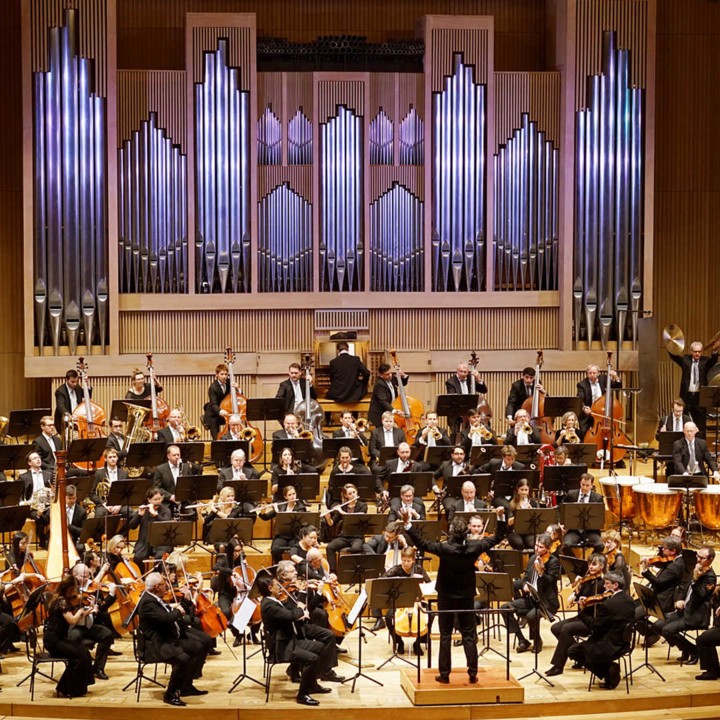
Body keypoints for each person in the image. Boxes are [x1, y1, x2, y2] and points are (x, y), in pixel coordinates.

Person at [401, 513, 503, 684]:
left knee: (445, 635)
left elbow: (422, 543)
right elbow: (497, 537)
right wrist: (499, 518)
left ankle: (445, 674)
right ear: (466, 532)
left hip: (446, 596)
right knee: (469, 635)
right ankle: (472, 673)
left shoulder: (444, 548)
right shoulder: (474, 547)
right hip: (466, 596)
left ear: (451, 532)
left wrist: (408, 525)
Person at [258, 575, 334, 706]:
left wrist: (300, 605)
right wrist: (300, 607)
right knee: (312, 658)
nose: (280, 587)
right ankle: (302, 695)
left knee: (320, 647)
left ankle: (312, 684)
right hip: (282, 648)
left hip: (290, 641)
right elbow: (291, 615)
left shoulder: (272, 601)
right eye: (277, 585)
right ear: (270, 588)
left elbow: (289, 614)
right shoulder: (268, 605)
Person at [137, 571, 208, 706]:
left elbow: (168, 613)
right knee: (183, 659)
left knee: (199, 646)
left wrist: (185, 602)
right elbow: (166, 618)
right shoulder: (147, 602)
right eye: (164, 584)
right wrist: (180, 609)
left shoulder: (153, 598)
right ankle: (170, 694)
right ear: (157, 587)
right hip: (156, 644)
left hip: (166, 638)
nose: (167, 587)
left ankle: (186, 686)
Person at [567, 571, 636, 689]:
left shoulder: (607, 605)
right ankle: (608, 670)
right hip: (624, 642)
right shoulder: (629, 600)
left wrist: (582, 611)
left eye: (607, 584)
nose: (604, 586)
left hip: (608, 645)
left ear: (615, 585)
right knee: (585, 647)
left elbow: (594, 627)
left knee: (573, 651)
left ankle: (609, 670)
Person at [546, 553, 608, 676]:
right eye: (589, 563)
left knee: (566, 629)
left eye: (594, 564)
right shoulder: (587, 580)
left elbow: (602, 603)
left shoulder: (603, 583)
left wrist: (587, 600)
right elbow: (578, 599)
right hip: (582, 617)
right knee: (556, 628)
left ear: (602, 566)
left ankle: (558, 666)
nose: (590, 567)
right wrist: (578, 590)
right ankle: (579, 655)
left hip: (592, 620)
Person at [653, 546, 716, 665]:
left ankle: (693, 650)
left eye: (701, 558)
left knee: (667, 630)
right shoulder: (695, 569)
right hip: (683, 611)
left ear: (710, 559)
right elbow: (682, 586)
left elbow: (699, 597)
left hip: (695, 615)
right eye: (697, 556)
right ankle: (685, 649)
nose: (697, 559)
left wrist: (696, 580)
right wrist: (679, 599)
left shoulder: (711, 578)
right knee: (657, 625)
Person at [502, 533, 560, 653]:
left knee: (531, 616)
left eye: (541, 547)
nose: (537, 549)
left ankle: (537, 640)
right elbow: (526, 578)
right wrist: (524, 585)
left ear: (548, 548)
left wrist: (540, 573)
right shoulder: (533, 558)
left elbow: (549, 582)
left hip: (546, 602)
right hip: (531, 599)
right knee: (505, 608)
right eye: (536, 546)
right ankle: (522, 640)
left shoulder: (553, 562)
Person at [43, 574, 96, 698]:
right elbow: (72, 620)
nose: (77, 591)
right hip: (54, 641)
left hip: (59, 639)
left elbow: (74, 618)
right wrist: (80, 611)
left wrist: (88, 610)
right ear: (69, 588)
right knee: (79, 656)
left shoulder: (62, 599)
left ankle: (80, 688)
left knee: (84, 652)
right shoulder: (61, 601)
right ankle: (64, 689)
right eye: (75, 587)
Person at [635, 536, 685, 645]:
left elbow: (658, 582)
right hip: (655, 595)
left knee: (634, 615)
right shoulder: (674, 560)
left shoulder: (676, 566)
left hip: (662, 600)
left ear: (673, 551)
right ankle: (650, 632)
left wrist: (645, 570)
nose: (662, 550)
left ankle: (651, 632)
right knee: (631, 607)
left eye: (664, 548)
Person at [382, 546, 432, 656]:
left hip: (417, 601)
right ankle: (398, 641)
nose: (406, 563)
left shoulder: (419, 569)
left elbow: (429, 585)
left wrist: (421, 579)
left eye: (408, 561)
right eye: (404, 560)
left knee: (430, 614)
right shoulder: (396, 569)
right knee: (389, 616)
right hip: (400, 602)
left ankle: (418, 642)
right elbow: (382, 580)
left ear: (413, 560)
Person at [69, 563, 116, 679]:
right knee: (72, 639)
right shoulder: (69, 589)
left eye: (87, 576)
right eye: (82, 576)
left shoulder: (93, 588)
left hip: (89, 625)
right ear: (74, 575)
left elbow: (102, 608)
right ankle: (76, 669)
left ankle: (98, 668)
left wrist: (110, 595)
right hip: (75, 626)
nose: (86, 579)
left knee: (107, 635)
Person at [668, 340, 719, 437]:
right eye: (695, 351)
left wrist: (714, 349)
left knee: (700, 423)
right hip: (686, 396)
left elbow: (713, 360)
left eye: (699, 351)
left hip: (700, 397)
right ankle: (686, 444)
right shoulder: (685, 360)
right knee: (685, 421)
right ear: (691, 352)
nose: (697, 353)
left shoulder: (705, 361)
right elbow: (674, 356)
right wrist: (670, 344)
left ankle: (700, 445)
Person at [325, 483, 368, 573]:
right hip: (345, 535)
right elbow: (331, 523)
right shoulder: (343, 506)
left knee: (355, 549)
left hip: (357, 536)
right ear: (346, 495)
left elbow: (356, 516)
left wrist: (342, 512)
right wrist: (328, 517)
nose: (353, 495)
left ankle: (351, 571)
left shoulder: (362, 505)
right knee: (330, 547)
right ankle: (333, 572)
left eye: (354, 492)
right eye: (350, 494)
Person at [560, 473, 605, 553]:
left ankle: (590, 563)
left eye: (587, 485)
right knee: (565, 545)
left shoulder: (598, 498)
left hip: (590, 531)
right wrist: (561, 523)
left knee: (600, 545)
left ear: (592, 485)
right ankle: (575, 565)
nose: (584, 488)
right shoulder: (571, 494)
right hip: (574, 531)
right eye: (582, 484)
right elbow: (561, 509)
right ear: (580, 483)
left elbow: (600, 517)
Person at [128, 487, 173, 567]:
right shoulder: (144, 510)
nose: (158, 501)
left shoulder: (166, 511)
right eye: (155, 500)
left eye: (159, 499)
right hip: (144, 542)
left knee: (159, 557)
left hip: (161, 543)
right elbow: (132, 526)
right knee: (138, 557)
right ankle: (140, 578)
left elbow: (166, 525)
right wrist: (139, 515)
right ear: (149, 500)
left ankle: (157, 578)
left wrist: (156, 515)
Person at [577, 363, 622, 437]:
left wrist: (616, 376)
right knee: (583, 432)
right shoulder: (582, 384)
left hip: (602, 414)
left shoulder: (604, 379)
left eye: (594, 373)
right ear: (587, 374)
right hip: (588, 413)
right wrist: (584, 408)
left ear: (598, 373)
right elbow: (580, 399)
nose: (592, 375)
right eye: (590, 373)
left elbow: (618, 388)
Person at [19, 451, 53, 548]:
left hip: (47, 505)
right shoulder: (24, 477)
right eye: (34, 458)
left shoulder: (48, 474)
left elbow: (53, 490)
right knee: (39, 517)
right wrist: (23, 504)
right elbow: (20, 494)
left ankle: (48, 538)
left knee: (54, 515)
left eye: (38, 457)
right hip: (32, 507)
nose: (38, 459)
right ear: (29, 463)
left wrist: (52, 493)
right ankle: (43, 541)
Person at [90, 448, 130, 517]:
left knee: (131, 513)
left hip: (119, 504)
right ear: (105, 459)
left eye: (114, 456)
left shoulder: (124, 473)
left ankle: (123, 528)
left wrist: (119, 505)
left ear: (117, 458)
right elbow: (92, 493)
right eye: (110, 457)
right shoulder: (99, 474)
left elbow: (128, 492)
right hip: (104, 504)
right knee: (99, 514)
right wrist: (103, 503)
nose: (113, 459)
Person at [368, 363, 408, 428]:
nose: (390, 375)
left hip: (388, 410)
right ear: (381, 375)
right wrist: (394, 411)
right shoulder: (379, 384)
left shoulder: (391, 378)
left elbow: (402, 383)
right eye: (387, 374)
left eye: (390, 373)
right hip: (379, 414)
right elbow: (383, 401)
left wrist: (404, 376)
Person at [504, 478, 540, 550]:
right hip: (514, 531)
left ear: (529, 490)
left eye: (526, 490)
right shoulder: (512, 503)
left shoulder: (533, 503)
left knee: (533, 544)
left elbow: (538, 520)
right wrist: (520, 514)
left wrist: (532, 511)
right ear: (518, 490)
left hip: (528, 531)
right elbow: (509, 522)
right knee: (518, 543)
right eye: (522, 489)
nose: (524, 492)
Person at [201, 363, 231, 440]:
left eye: (226, 374)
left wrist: (238, 388)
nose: (224, 376)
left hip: (224, 413)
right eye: (222, 374)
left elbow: (238, 396)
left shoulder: (229, 382)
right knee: (216, 439)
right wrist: (220, 411)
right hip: (213, 414)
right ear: (217, 375)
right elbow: (214, 404)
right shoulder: (213, 387)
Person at [64, 484, 87, 550]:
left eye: (73, 498)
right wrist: (39, 515)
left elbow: (83, 531)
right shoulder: (59, 508)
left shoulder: (82, 511)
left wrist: (69, 526)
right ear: (64, 497)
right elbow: (45, 520)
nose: (71, 501)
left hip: (75, 537)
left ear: (76, 497)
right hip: (59, 536)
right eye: (69, 498)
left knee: (80, 548)